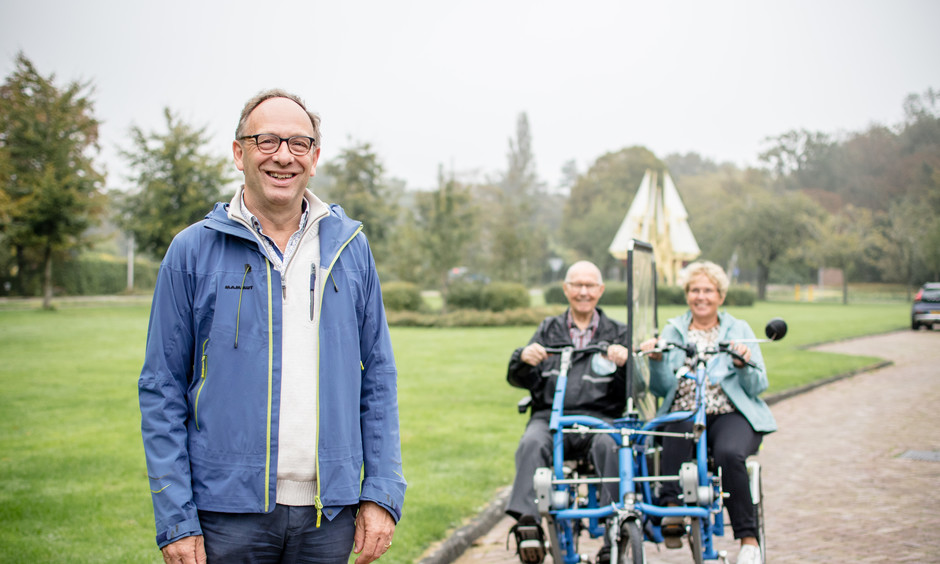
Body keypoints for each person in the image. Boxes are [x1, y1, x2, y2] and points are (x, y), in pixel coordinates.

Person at [138, 89, 406, 564]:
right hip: (225, 516)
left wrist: (381, 492)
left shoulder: (350, 249)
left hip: (330, 516)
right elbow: (161, 389)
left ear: (315, 157)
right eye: (266, 141)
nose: (283, 156)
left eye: (299, 144)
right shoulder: (190, 252)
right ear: (238, 152)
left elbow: (379, 378)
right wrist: (176, 518)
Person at [641, 261, 775, 564]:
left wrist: (743, 365)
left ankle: (748, 538)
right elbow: (662, 389)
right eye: (694, 290)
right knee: (675, 427)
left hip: (729, 412)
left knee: (729, 453)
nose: (701, 297)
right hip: (685, 410)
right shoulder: (674, 330)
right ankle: (672, 509)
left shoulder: (738, 329)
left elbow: (758, 385)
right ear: (687, 295)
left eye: (708, 291)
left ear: (720, 296)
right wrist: (658, 362)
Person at [505, 260, 630, 564]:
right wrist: (523, 358)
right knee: (532, 443)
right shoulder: (548, 329)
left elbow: (633, 390)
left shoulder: (619, 332)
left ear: (600, 290)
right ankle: (528, 524)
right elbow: (518, 377)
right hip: (551, 417)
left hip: (600, 418)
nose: (583, 291)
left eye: (589, 285)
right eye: (577, 285)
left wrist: (628, 364)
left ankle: (613, 528)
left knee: (610, 445)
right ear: (566, 289)